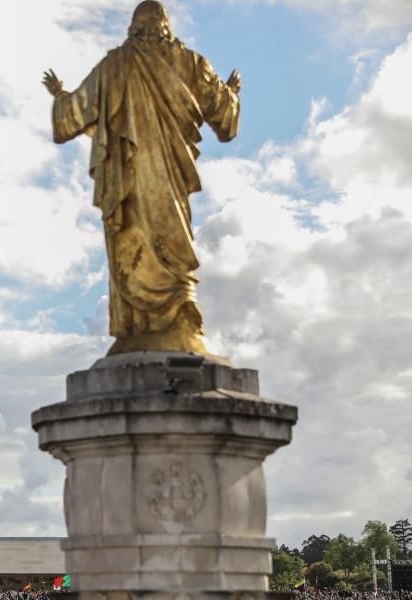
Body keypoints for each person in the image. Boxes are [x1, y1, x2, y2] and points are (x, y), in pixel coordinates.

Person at [43, 0, 241, 356]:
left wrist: (59, 96)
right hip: (167, 179)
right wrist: (231, 96)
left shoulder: (115, 66)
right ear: (167, 25)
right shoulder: (191, 63)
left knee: (134, 237)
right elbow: (222, 117)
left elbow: (75, 111)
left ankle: (152, 322)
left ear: (133, 27)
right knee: (169, 233)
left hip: (131, 180)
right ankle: (176, 311)